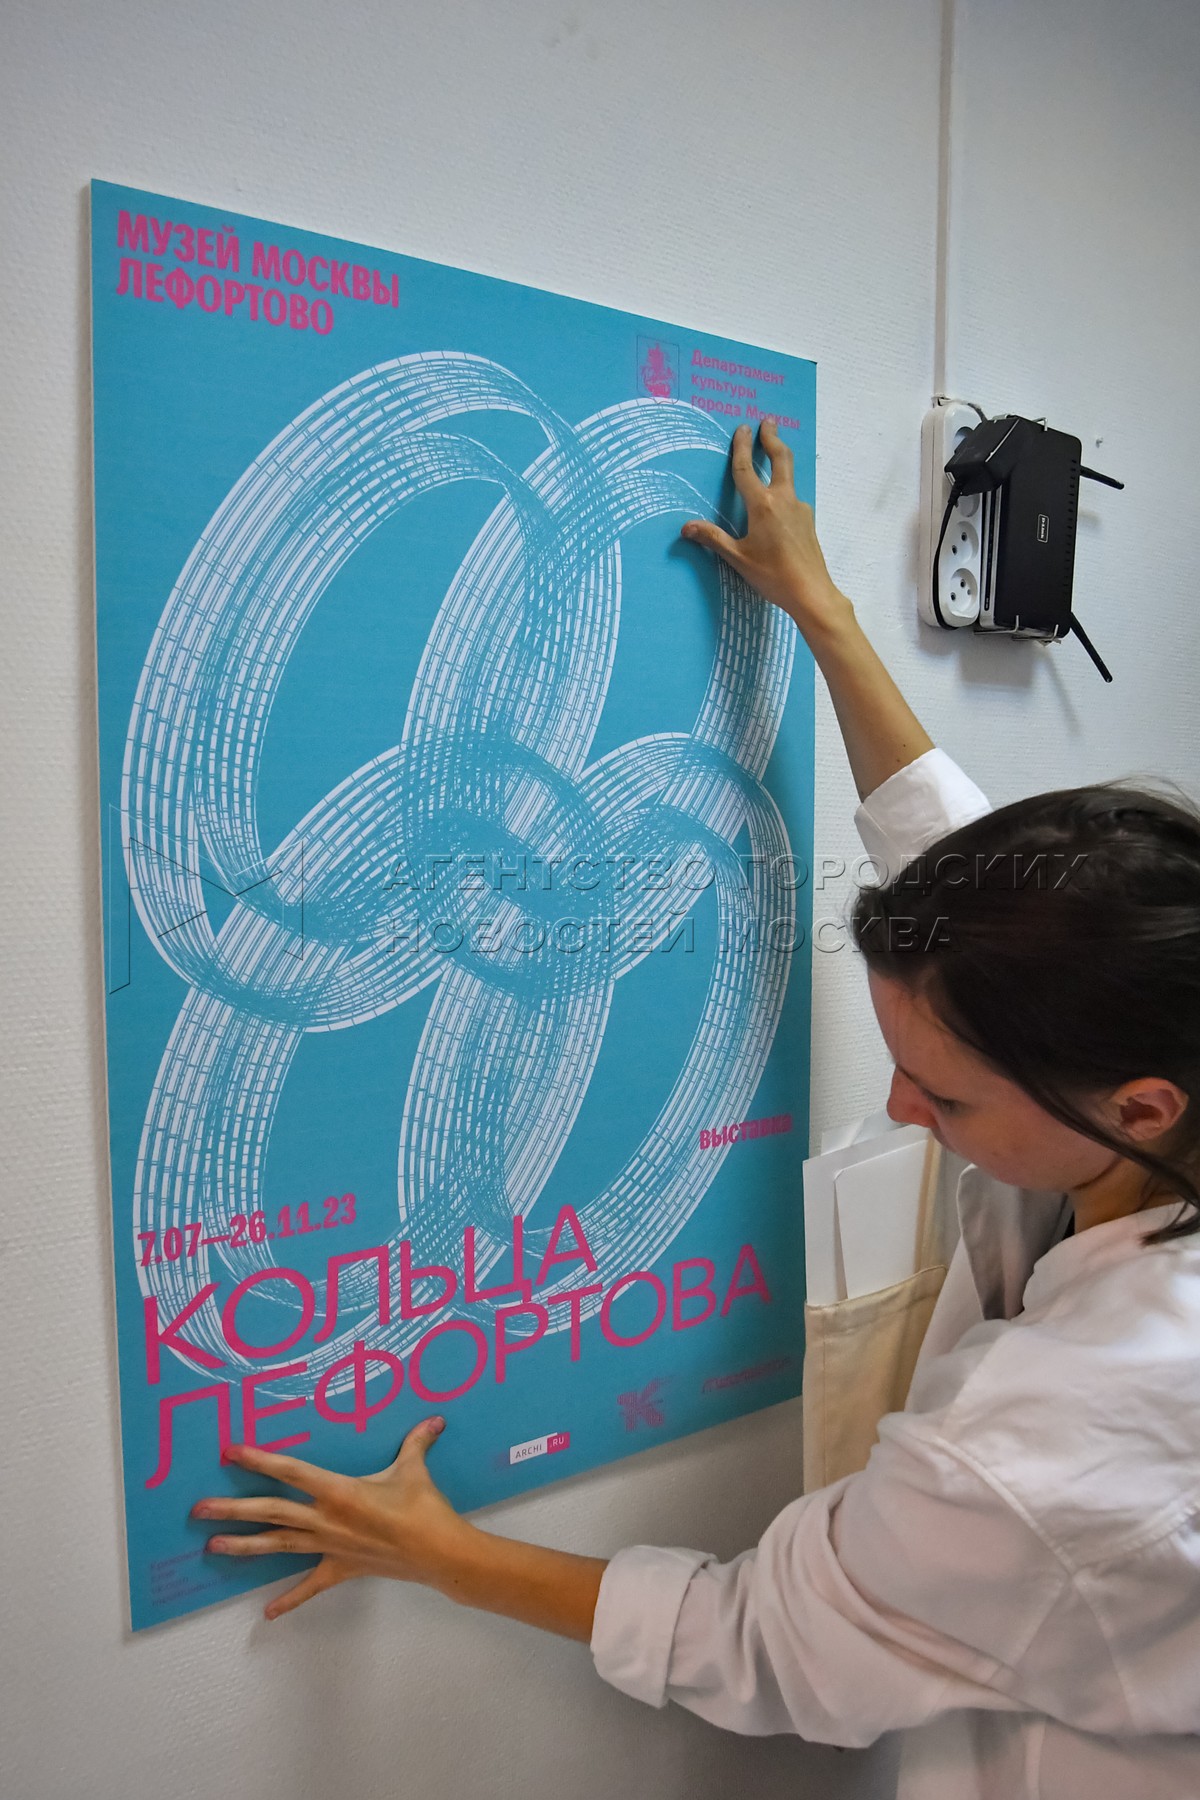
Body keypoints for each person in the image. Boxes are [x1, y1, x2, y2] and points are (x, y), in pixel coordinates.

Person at [194, 420, 1200, 1799]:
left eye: (947, 1092)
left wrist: (436, 1550)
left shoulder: (1067, 1429)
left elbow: (764, 1642)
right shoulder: (1138, 1041)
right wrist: (824, 616)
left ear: (1139, 1106)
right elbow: (963, 875)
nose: (900, 1105)